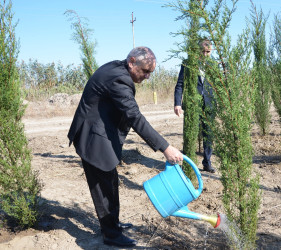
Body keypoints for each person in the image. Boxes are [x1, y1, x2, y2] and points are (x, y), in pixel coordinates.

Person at [67, 46, 183, 248]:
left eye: (151, 73)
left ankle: (115, 224)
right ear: (131, 62)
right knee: (103, 189)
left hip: (101, 134)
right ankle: (110, 234)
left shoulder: (119, 70)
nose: (147, 77)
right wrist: (165, 147)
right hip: (92, 138)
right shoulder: (118, 79)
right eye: (145, 71)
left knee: (111, 181)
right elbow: (135, 117)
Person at [174, 39, 215, 173]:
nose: (204, 54)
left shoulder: (214, 65)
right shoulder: (187, 64)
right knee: (190, 133)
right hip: (193, 104)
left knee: (208, 134)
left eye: (207, 52)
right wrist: (177, 103)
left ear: (211, 51)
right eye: (202, 51)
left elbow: (218, 85)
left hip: (209, 104)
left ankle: (207, 163)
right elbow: (180, 84)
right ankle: (188, 165)